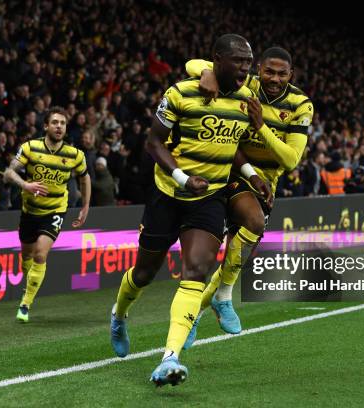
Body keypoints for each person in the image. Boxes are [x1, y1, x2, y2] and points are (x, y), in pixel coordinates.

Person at [109, 34, 257, 387]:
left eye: (248, 64)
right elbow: (153, 141)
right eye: (237, 61)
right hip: (168, 193)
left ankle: (169, 357)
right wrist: (181, 175)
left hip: (210, 197)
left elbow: (230, 143)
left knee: (196, 271)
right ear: (217, 59)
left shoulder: (246, 97)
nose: (244, 70)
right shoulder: (180, 93)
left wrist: (251, 174)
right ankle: (118, 314)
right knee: (143, 274)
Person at [182, 46, 312, 345]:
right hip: (229, 170)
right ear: (258, 70)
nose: (274, 78)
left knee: (234, 259)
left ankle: (195, 316)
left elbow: (291, 159)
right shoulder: (246, 83)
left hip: (264, 183)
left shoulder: (300, 104)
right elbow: (192, 62)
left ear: (291, 75)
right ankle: (223, 297)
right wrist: (206, 73)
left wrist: (261, 126)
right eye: (269, 71)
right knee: (251, 223)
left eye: (282, 74)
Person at [3, 106, 91, 323]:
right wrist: (26, 185)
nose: (59, 126)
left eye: (62, 123)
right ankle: (29, 285)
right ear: (46, 126)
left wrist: (86, 206)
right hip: (29, 211)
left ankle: (25, 304)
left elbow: (84, 177)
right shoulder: (30, 148)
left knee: (41, 254)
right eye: (54, 122)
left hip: (55, 209)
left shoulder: (74, 155)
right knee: (27, 256)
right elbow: (8, 173)